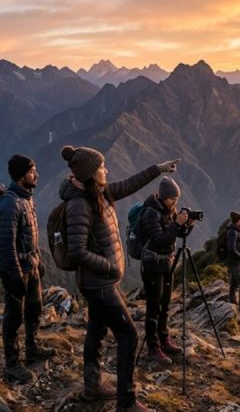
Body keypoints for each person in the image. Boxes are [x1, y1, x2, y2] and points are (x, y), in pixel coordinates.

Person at [59, 145, 179, 412]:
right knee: (129, 335)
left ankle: (92, 387)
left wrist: (158, 169)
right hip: (98, 283)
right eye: (102, 167)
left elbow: (128, 184)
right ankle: (126, 402)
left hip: (100, 282)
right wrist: (110, 266)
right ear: (91, 173)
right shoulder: (79, 204)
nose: (107, 170)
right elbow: (77, 251)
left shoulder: (98, 193)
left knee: (97, 330)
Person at [0, 155, 55, 383]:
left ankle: (32, 348)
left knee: (35, 308)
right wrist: (14, 275)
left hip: (31, 265)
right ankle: (12, 363)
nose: (37, 175)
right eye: (32, 171)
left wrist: (39, 260)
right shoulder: (10, 203)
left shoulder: (26, 198)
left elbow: (30, 234)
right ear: (22, 175)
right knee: (13, 316)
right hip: (18, 268)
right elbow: (6, 243)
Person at [138, 177, 194, 364]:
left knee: (165, 305)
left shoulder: (170, 210)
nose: (175, 202)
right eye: (172, 199)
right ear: (163, 197)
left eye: (176, 199)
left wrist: (187, 224)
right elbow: (159, 240)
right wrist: (177, 224)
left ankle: (164, 339)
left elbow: (177, 235)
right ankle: (153, 347)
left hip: (166, 263)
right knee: (153, 307)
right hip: (152, 263)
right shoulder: (150, 213)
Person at [226, 212, 240, 309]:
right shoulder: (233, 232)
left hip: (236, 262)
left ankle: (232, 302)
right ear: (237, 221)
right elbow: (231, 249)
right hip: (235, 263)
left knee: (234, 284)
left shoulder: (236, 231)